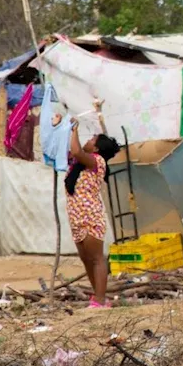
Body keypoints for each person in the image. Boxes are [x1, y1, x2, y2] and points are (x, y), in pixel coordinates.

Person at [66, 121, 118, 308]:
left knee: (96, 259)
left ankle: (100, 300)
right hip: (76, 218)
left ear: (96, 147)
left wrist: (74, 131)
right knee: (86, 259)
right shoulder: (79, 165)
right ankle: (98, 297)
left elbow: (77, 151)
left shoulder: (97, 161)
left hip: (90, 217)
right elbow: (74, 151)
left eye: (91, 139)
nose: (87, 141)